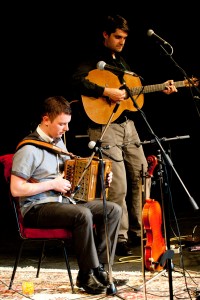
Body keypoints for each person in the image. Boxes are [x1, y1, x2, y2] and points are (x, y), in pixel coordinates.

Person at [71, 14, 178, 256]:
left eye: (125, 38)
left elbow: (134, 90)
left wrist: (164, 88)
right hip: (104, 126)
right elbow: (77, 81)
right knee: (117, 184)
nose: (121, 42)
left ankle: (143, 232)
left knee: (142, 174)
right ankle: (118, 236)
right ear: (105, 35)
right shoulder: (92, 59)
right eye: (117, 37)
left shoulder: (120, 63)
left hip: (128, 125)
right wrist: (105, 90)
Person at [10, 96, 122, 295]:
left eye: (67, 124)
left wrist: (101, 179)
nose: (66, 129)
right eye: (62, 124)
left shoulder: (59, 143)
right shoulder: (28, 149)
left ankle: (102, 269)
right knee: (82, 214)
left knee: (112, 209)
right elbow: (16, 189)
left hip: (63, 202)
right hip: (36, 209)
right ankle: (86, 274)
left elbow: (71, 175)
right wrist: (52, 184)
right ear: (46, 120)